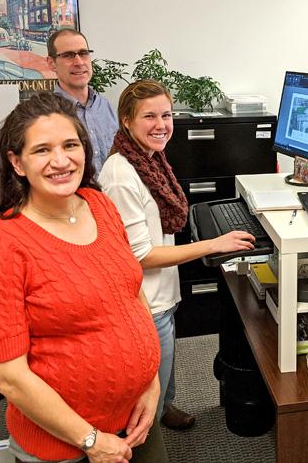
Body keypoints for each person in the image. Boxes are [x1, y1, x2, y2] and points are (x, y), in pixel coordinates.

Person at [0, 92, 167, 462]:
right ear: (16, 162)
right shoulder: (3, 246)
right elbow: (9, 377)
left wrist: (150, 382)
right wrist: (90, 440)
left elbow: (131, 294)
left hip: (136, 417)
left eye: (70, 145)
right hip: (65, 445)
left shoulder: (100, 205)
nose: (61, 161)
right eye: (42, 150)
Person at [98, 80, 255, 430]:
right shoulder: (123, 174)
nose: (161, 125)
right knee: (146, 392)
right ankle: (148, 430)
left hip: (162, 295)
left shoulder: (149, 160)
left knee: (164, 370)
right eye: (149, 116)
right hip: (145, 302)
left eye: (166, 115)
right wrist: (214, 244)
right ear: (126, 120)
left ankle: (166, 407)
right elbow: (141, 256)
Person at [47, 28, 118, 173]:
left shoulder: (105, 107)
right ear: (51, 63)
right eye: (68, 55)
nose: (79, 62)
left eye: (83, 53)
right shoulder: (46, 114)